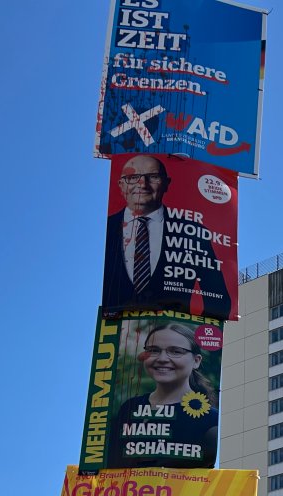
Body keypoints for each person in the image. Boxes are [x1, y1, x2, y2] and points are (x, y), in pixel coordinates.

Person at [102, 154, 232, 319]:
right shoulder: (110, 228)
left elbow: (219, 300)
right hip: (118, 333)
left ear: (166, 184)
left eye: (153, 177)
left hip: (177, 333)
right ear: (121, 185)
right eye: (133, 177)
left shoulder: (193, 232)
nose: (142, 184)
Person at [106, 321, 219, 469]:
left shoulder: (210, 419)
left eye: (176, 351)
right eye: (154, 350)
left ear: (196, 361)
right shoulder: (129, 407)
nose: (162, 359)